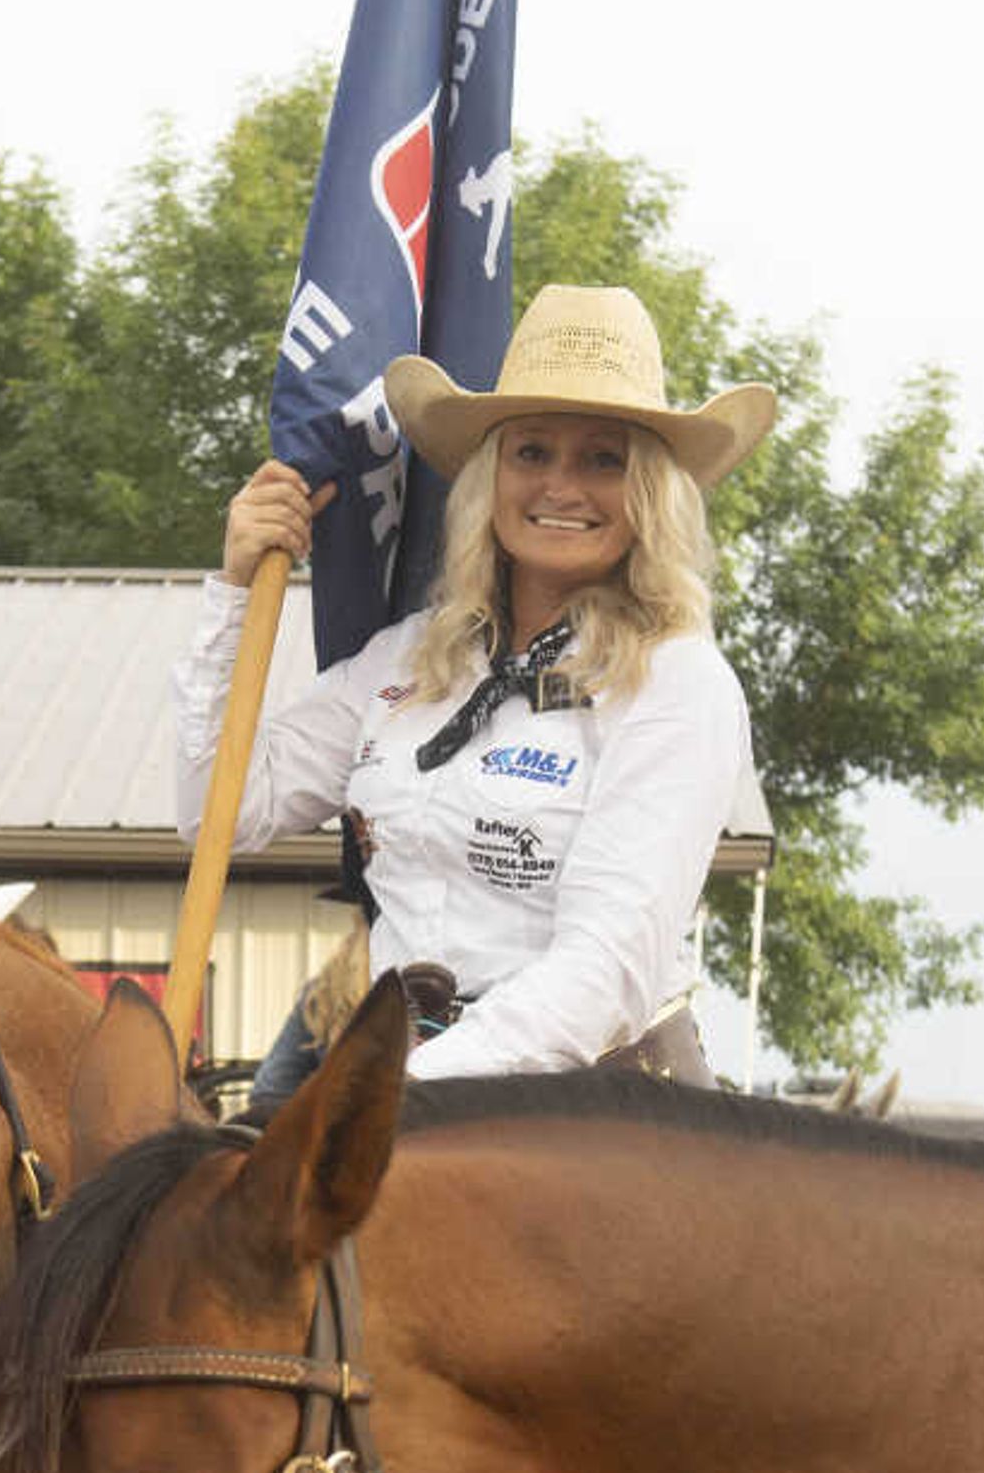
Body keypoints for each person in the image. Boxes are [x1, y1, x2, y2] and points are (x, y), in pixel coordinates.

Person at [191, 283, 768, 1083]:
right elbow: (220, 811)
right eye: (532, 452)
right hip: (405, 1096)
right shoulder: (406, 661)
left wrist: (401, 1091)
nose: (561, 486)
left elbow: (606, 970)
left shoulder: (678, 682)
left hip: (596, 1111)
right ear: (489, 479)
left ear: (649, 495)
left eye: (603, 459)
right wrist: (232, 591)